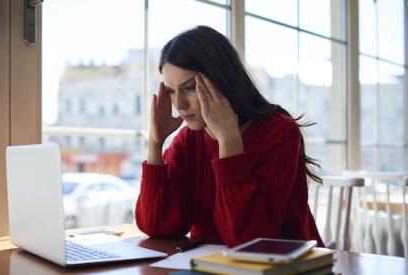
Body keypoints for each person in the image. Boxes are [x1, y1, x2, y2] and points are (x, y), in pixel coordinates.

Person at [135, 25, 324, 248]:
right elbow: (156, 226)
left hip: (285, 267)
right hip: (207, 266)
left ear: (222, 78)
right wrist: (155, 145)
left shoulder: (279, 131)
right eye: (171, 91)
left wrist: (227, 139)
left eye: (189, 88)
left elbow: (247, 239)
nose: (179, 104)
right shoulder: (189, 140)